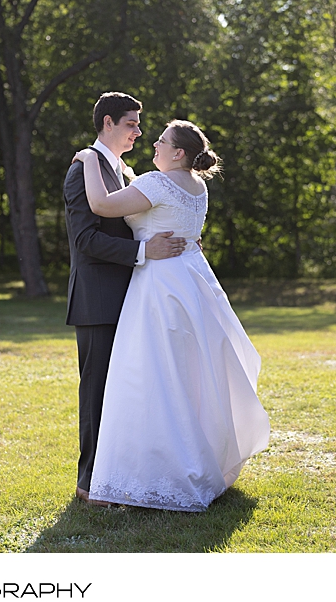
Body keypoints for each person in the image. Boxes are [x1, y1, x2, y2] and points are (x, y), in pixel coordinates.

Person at [72, 120, 270, 512]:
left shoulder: (158, 182)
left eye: (161, 142)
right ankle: (190, 462)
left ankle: (160, 472)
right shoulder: (199, 185)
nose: (154, 146)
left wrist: (88, 160)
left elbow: (100, 205)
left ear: (178, 152)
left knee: (154, 378)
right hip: (193, 283)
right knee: (188, 376)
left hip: (159, 286)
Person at [64, 92, 188, 508]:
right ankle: (89, 485)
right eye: (132, 123)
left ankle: (122, 478)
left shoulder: (125, 170)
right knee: (97, 392)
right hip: (98, 300)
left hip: (136, 299)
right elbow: (85, 240)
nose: (139, 131)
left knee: (129, 391)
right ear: (108, 124)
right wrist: (143, 252)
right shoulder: (83, 168)